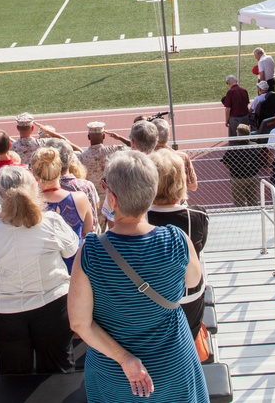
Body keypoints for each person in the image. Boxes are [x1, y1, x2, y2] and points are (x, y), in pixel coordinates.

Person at [69, 151, 207, 402]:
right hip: (173, 367)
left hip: (115, 375)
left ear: (111, 197)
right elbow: (192, 282)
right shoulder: (177, 239)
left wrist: (125, 359)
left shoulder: (90, 251)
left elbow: (79, 323)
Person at [0, 166, 79, 374]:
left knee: (13, 375)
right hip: (52, 308)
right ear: (34, 188)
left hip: (3, 314)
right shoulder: (51, 222)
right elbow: (71, 249)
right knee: (57, 372)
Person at [147, 149, 209, 340]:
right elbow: (200, 247)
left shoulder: (138, 217)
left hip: (151, 298)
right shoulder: (198, 216)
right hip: (188, 296)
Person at [30, 147, 94, 272]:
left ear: (35, 175)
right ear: (59, 170)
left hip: (45, 272)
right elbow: (88, 230)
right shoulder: (80, 198)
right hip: (76, 270)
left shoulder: (31, 204)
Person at [222, 123, 262, 207]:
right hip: (252, 176)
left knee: (239, 202)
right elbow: (260, 158)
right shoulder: (255, 146)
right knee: (253, 199)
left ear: (238, 134)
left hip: (237, 177)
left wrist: (233, 168)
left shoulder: (233, 148)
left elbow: (225, 162)